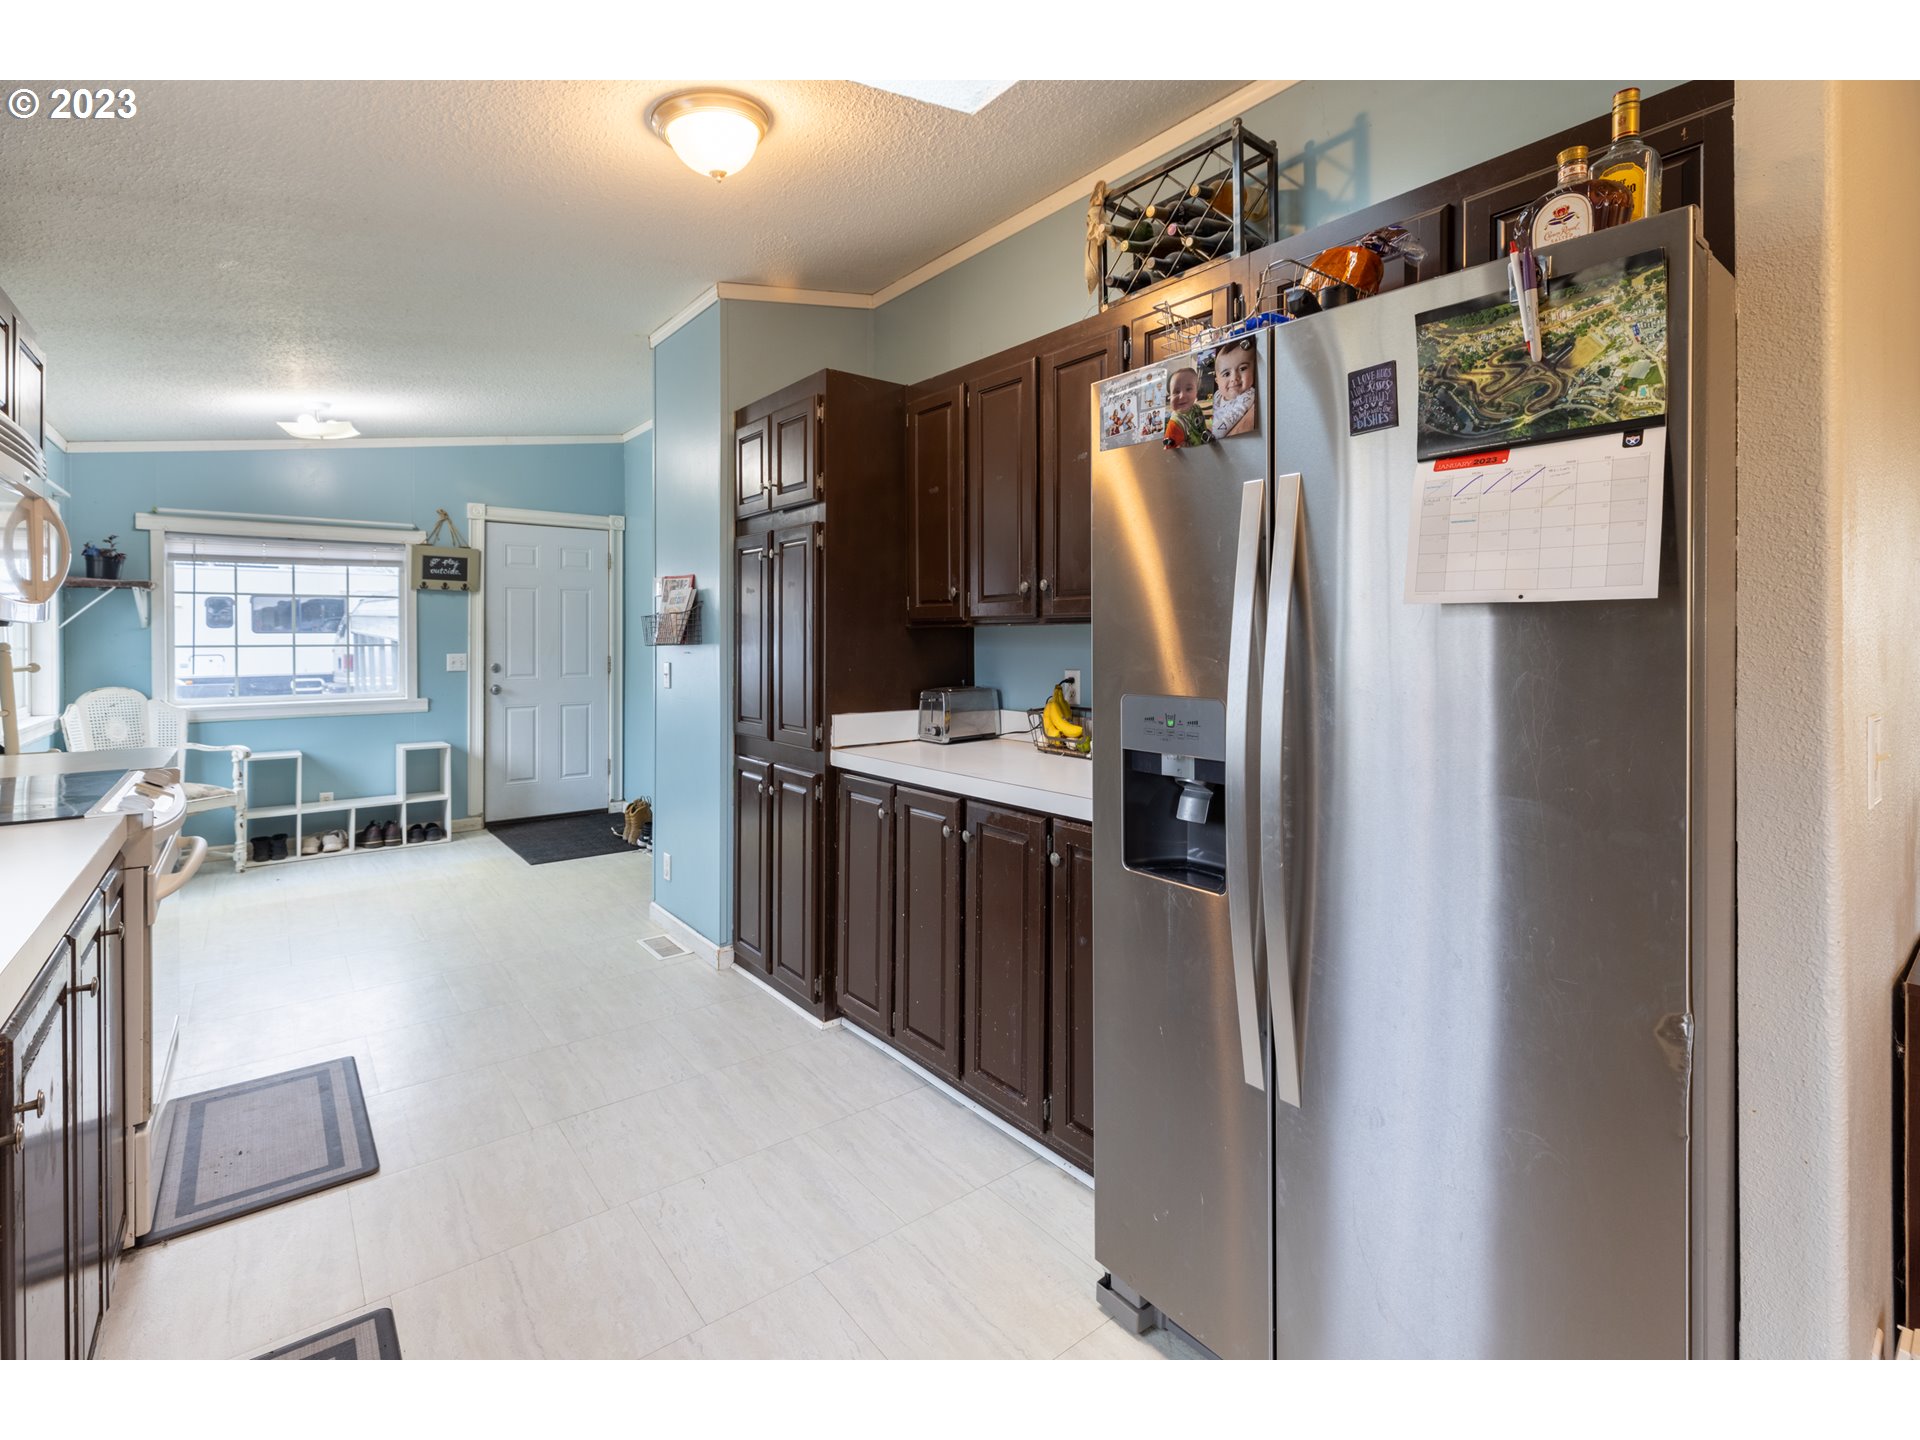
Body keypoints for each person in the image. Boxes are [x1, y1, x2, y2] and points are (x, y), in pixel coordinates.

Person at [1209, 339, 1259, 439]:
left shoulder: (1248, 395)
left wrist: (1211, 434)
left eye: (1242, 369)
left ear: (1254, 370)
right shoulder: (1218, 395)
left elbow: (1233, 417)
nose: (1234, 378)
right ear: (1217, 381)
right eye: (1226, 374)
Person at [1162, 364, 1210, 448]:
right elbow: (1169, 453)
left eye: (1188, 389)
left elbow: (1203, 429)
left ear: (1196, 392)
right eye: (1176, 392)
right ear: (1170, 397)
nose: (1182, 396)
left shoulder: (1197, 409)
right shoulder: (1175, 424)